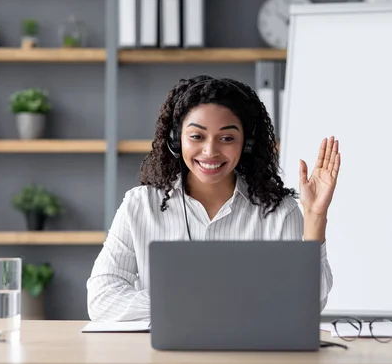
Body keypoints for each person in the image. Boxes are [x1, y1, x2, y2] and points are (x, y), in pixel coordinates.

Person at [86, 75, 341, 321]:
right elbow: (102, 298)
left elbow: (306, 304)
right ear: (176, 140)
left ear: (247, 144)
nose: (210, 151)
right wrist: (192, 304)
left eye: (227, 138)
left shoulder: (279, 211)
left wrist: (315, 216)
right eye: (197, 136)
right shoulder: (140, 206)